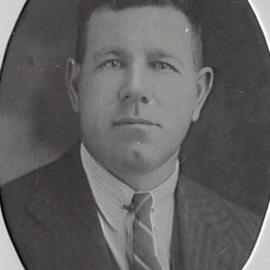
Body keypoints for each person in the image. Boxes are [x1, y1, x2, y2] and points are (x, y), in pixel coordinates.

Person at [0, 0, 262, 269]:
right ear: (75, 86)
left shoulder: (248, 235)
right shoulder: (10, 218)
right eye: (112, 63)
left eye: (161, 65)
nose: (135, 88)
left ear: (199, 94)